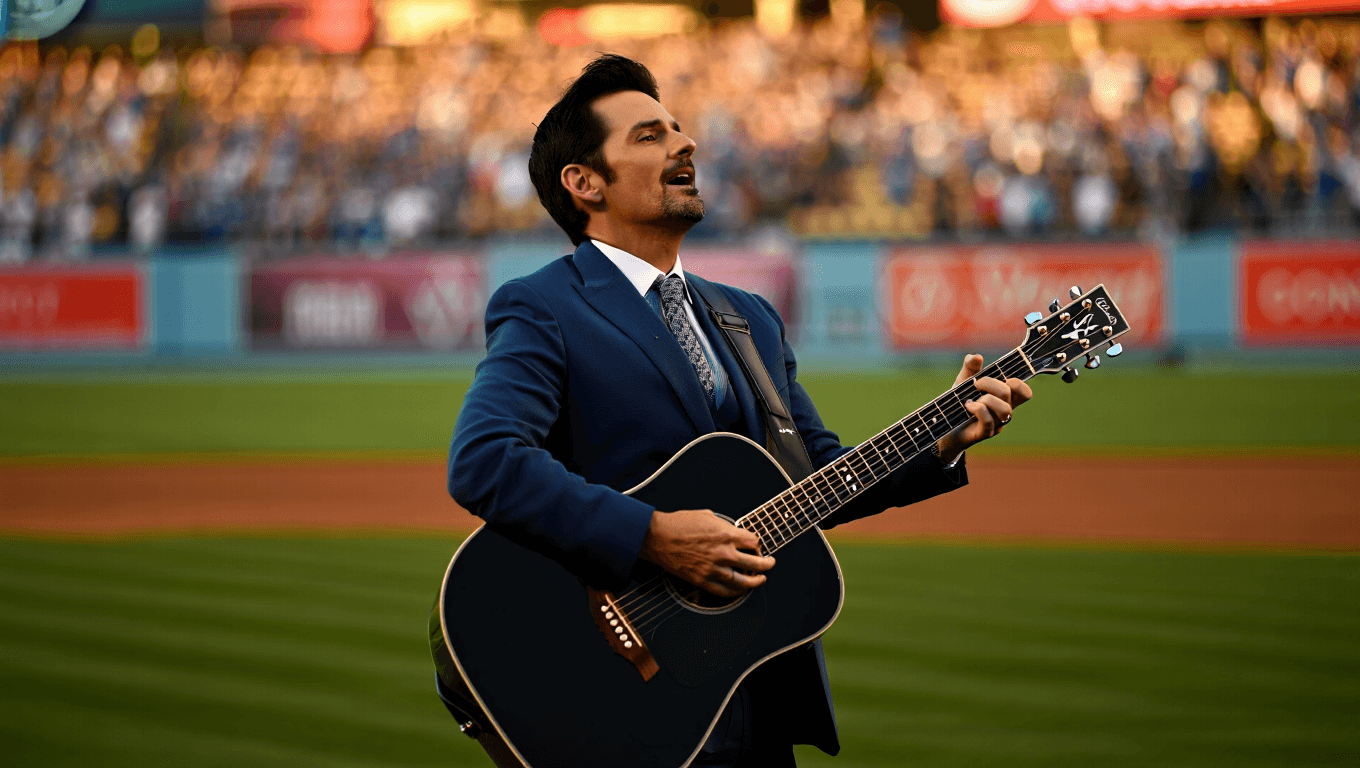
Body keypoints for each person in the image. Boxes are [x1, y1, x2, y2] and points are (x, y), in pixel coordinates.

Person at [446, 54, 1032, 767]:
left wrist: (942, 437)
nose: (684, 143)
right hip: (627, 700)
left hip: (752, 691)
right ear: (584, 183)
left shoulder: (748, 317)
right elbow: (484, 461)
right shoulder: (545, 306)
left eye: (679, 128)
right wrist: (652, 536)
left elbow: (816, 477)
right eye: (649, 136)